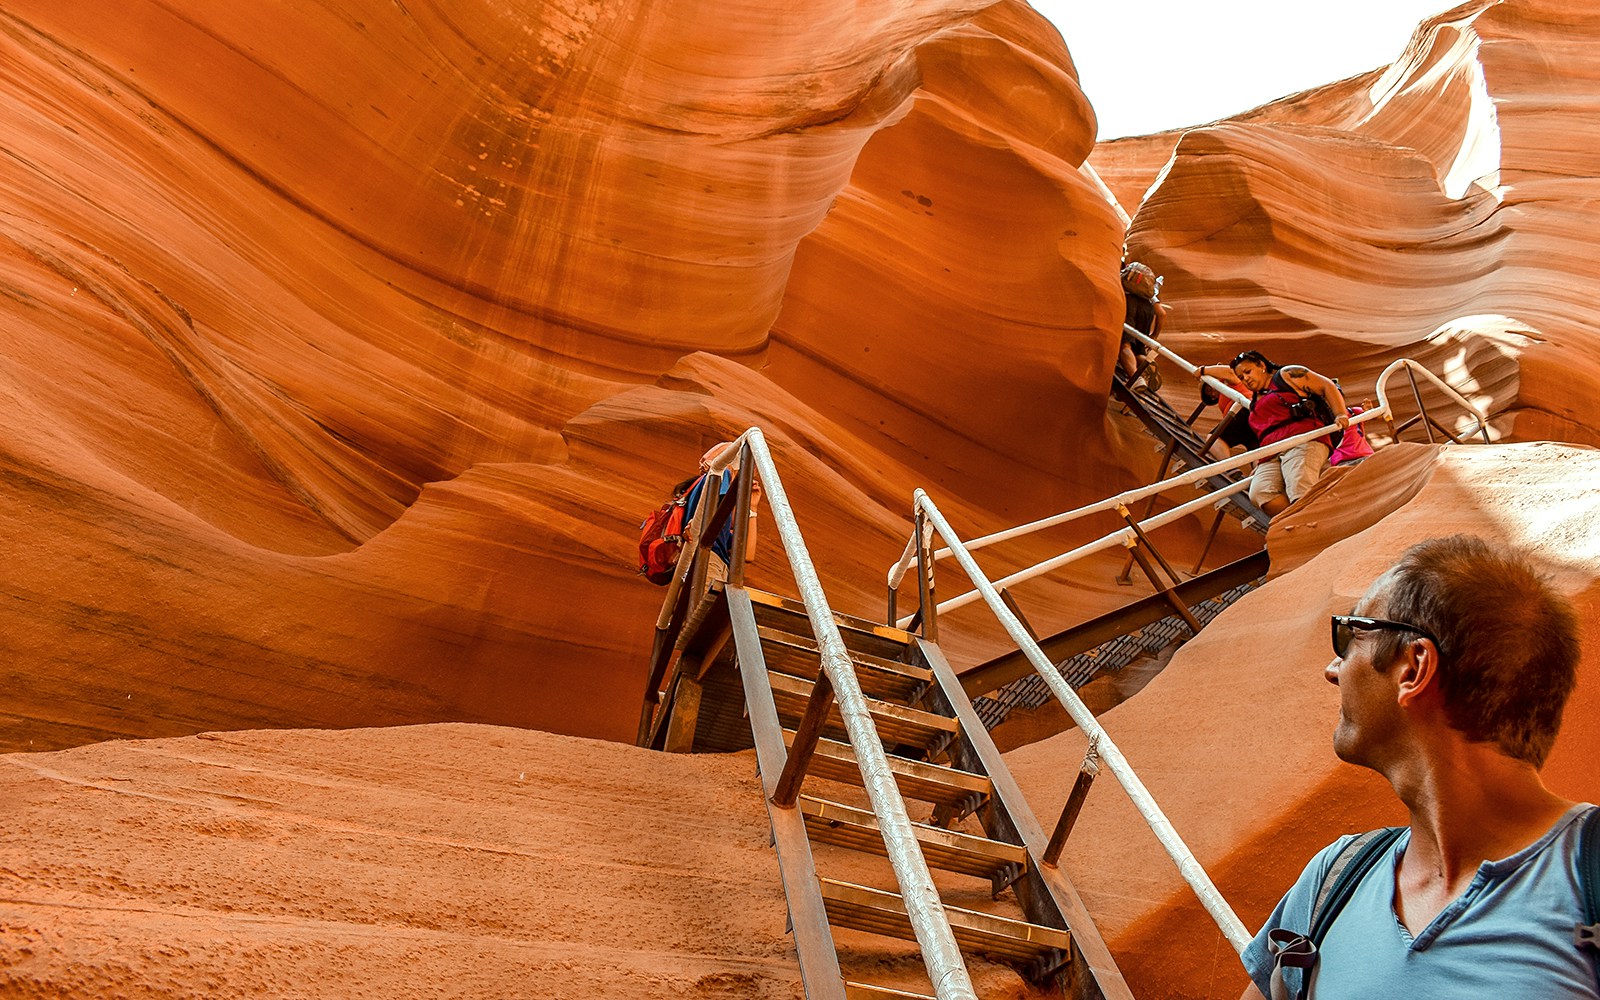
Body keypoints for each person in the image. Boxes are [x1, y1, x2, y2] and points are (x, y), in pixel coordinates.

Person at [1241, 535, 1595, 1000]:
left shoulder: (1587, 878)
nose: (1334, 669)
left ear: (1413, 668)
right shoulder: (1335, 879)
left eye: (1350, 635)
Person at [1194, 351, 1348, 516]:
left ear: (1261, 365)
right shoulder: (1255, 402)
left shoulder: (1286, 375)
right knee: (1261, 493)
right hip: (1270, 452)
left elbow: (1326, 385)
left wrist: (1340, 413)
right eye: (1241, 376)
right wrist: (1260, 462)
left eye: (1248, 372)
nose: (1245, 378)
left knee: (1298, 483)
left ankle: (1310, 522)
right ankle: (1303, 519)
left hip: (1302, 440)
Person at [1118, 261, 1166, 389]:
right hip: (1147, 311)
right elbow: (1161, 314)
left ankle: (1135, 378)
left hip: (1130, 305)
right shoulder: (1151, 291)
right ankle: (1146, 363)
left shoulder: (1123, 279)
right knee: (1138, 349)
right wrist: (1153, 336)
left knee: (1125, 345)